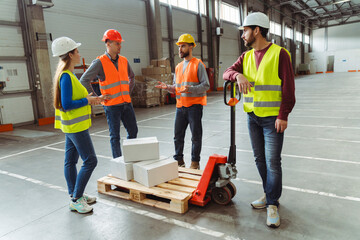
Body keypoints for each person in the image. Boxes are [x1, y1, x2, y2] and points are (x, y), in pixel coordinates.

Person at [223, 12, 296, 228]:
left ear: (256, 30)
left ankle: (272, 204)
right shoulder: (245, 57)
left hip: (273, 119)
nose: (242, 35)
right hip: (252, 116)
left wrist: (283, 115)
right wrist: (238, 75)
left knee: (273, 163)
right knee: (259, 160)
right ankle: (269, 194)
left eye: (245, 30)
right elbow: (226, 72)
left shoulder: (280, 54)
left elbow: (288, 88)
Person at [52, 37, 104, 213]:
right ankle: (76, 198)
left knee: (71, 161)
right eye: (77, 51)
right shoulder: (66, 76)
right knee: (90, 160)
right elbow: (67, 105)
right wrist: (87, 100)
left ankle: (76, 194)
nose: (79, 53)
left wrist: (91, 100)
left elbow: (74, 99)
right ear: (70, 54)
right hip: (76, 127)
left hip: (72, 126)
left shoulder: (69, 74)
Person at [80, 29, 138, 158]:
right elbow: (84, 80)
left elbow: (132, 77)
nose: (120, 46)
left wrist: (128, 92)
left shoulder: (124, 60)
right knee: (115, 136)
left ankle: (132, 157)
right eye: (117, 43)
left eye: (120, 43)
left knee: (133, 131)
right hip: (112, 106)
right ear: (108, 44)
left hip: (126, 104)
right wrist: (96, 98)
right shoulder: (100, 62)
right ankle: (118, 162)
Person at [156, 33, 210, 169]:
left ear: (191, 47)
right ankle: (179, 161)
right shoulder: (178, 66)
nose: (180, 49)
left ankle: (195, 162)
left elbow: (206, 85)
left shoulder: (198, 65)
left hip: (194, 107)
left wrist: (190, 89)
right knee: (177, 136)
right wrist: (168, 87)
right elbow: (177, 88)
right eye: (179, 46)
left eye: (183, 46)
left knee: (195, 137)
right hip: (180, 107)